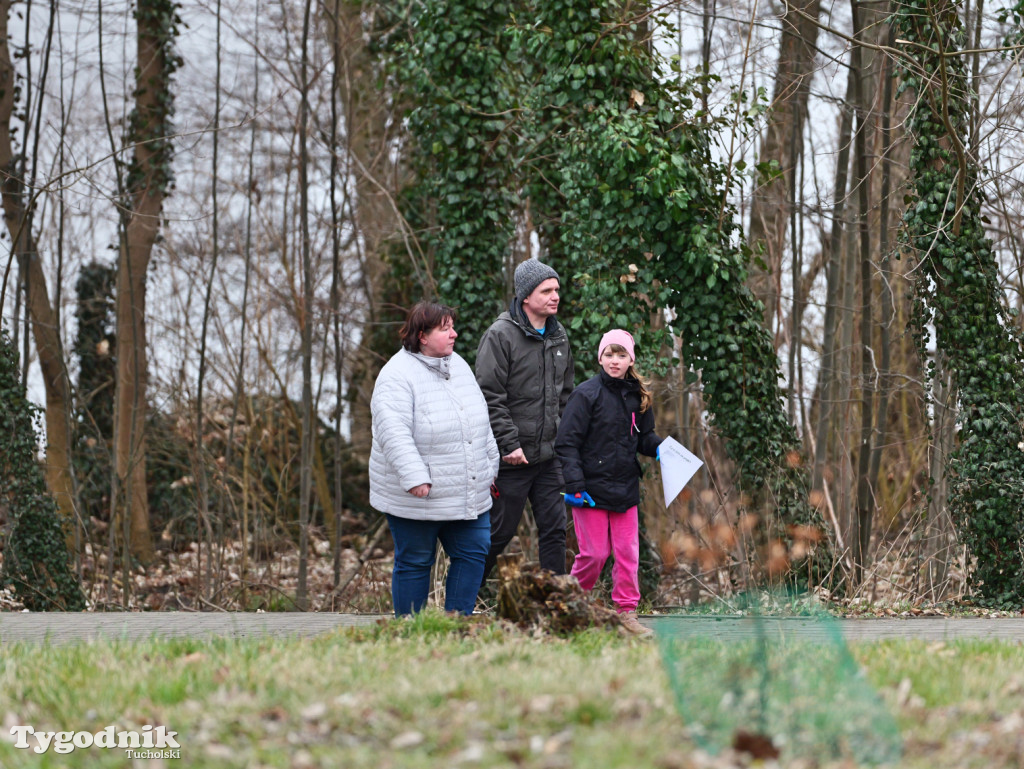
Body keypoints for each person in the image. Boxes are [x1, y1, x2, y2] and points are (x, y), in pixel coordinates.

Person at [369, 302, 499, 616]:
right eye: (445, 328)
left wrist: (491, 463)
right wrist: (415, 477)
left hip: (466, 491)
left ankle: (456, 627)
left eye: (453, 326)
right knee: (415, 561)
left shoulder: (459, 365)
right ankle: (412, 635)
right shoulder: (396, 376)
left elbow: (478, 419)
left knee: (473, 553)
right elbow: (392, 432)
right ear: (422, 336)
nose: (454, 334)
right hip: (419, 494)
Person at [554, 329, 663, 636]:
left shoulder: (638, 397)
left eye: (621, 355)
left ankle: (627, 613)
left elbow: (644, 438)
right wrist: (575, 483)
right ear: (599, 357)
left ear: (631, 359)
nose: (614, 361)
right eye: (609, 354)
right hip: (588, 490)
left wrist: (661, 449)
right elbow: (566, 443)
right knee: (595, 554)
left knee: (628, 554)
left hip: (625, 490)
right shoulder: (586, 395)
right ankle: (571, 607)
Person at [476, 259, 575, 584]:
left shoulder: (559, 337)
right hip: (511, 460)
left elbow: (566, 395)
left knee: (554, 531)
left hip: (549, 459)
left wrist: (563, 441)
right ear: (525, 297)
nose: (555, 296)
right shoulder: (500, 335)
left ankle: (555, 606)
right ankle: (461, 602)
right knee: (497, 534)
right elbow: (489, 395)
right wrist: (510, 444)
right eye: (546, 290)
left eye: (556, 289)